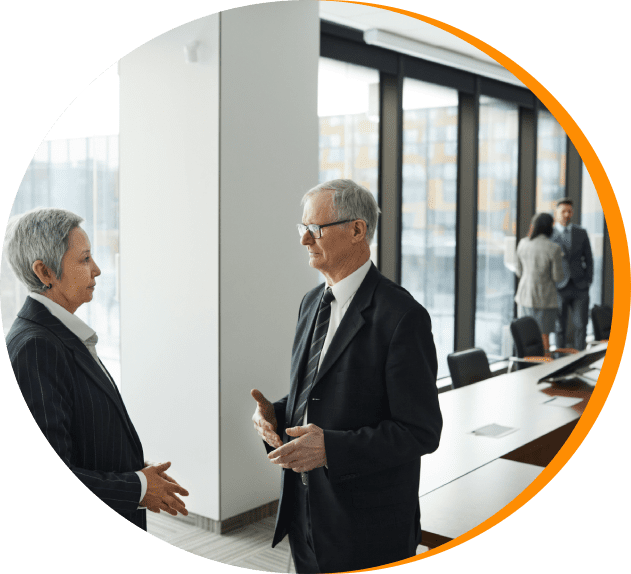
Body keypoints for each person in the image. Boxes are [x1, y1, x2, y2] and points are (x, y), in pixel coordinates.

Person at [251, 179, 442, 573]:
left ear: (357, 230)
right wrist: (278, 413)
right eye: (301, 228)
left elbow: (421, 431)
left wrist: (331, 450)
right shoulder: (311, 303)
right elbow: (321, 396)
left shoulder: (403, 317)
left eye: (315, 229)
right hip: (305, 512)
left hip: (367, 528)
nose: (304, 240)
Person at [4, 208, 189, 530]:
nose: (98, 270)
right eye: (85, 259)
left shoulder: (59, 334)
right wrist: (139, 487)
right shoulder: (36, 347)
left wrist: (133, 469)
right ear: (44, 272)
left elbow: (79, 434)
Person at [514, 213, 564, 352]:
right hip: (545, 298)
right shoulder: (554, 248)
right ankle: (546, 370)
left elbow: (518, 271)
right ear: (549, 227)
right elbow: (557, 277)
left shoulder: (523, 243)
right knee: (544, 337)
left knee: (524, 334)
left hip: (524, 296)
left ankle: (524, 368)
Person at [550, 198, 594, 350]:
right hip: (559, 287)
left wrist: (588, 280)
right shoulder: (550, 234)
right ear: (556, 213)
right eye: (563, 211)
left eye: (570, 211)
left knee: (581, 325)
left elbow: (589, 258)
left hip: (580, 286)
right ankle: (561, 361)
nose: (567, 214)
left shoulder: (581, 232)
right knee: (559, 327)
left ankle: (581, 358)